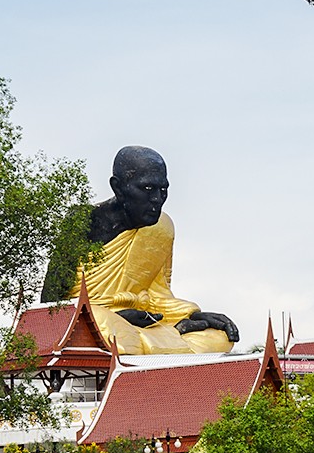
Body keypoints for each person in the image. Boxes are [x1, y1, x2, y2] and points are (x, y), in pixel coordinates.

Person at [44, 146, 239, 355]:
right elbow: (51, 306)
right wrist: (118, 316)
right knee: (110, 331)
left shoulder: (162, 228)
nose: (157, 199)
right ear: (118, 188)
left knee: (217, 339)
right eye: (147, 189)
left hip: (141, 323)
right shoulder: (83, 223)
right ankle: (171, 339)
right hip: (93, 322)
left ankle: (171, 334)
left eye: (163, 190)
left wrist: (190, 315)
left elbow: (158, 294)